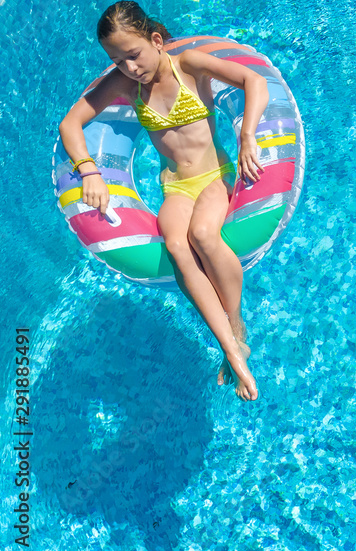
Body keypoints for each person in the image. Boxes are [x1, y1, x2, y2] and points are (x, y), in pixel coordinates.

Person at [58, 1, 269, 401]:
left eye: (133, 55)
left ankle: (236, 327)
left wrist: (247, 136)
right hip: (176, 185)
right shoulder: (124, 84)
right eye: (117, 61)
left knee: (204, 234)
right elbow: (70, 123)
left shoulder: (188, 64)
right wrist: (89, 170)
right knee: (176, 244)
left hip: (213, 175)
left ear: (155, 40)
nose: (129, 68)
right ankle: (230, 348)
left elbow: (252, 80)